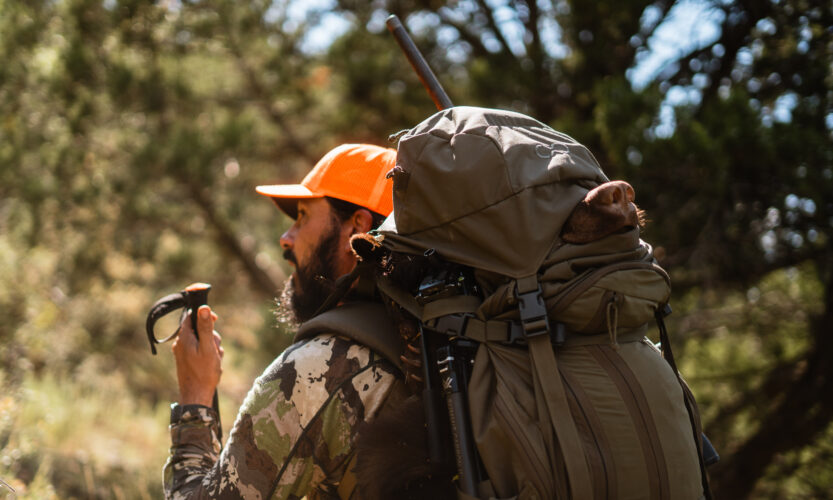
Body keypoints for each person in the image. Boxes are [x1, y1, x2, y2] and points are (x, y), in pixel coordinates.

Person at [163, 143, 403, 500]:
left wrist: (196, 400)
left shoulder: (318, 370)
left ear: (358, 230)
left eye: (303, 216)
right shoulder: (427, 340)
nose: (286, 237)